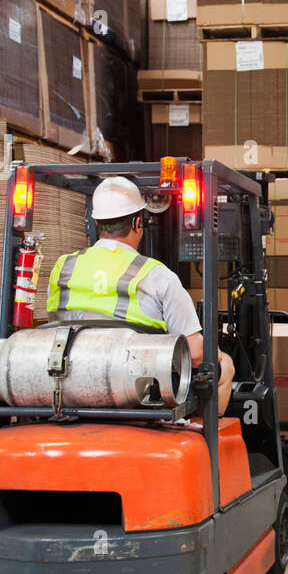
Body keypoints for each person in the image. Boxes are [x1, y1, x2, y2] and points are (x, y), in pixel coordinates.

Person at [47, 175, 235, 414]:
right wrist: (216, 352)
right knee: (223, 364)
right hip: (137, 391)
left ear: (96, 223)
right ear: (138, 223)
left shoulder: (63, 267)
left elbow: (52, 325)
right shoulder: (157, 275)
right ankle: (203, 443)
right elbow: (196, 354)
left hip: (69, 384)